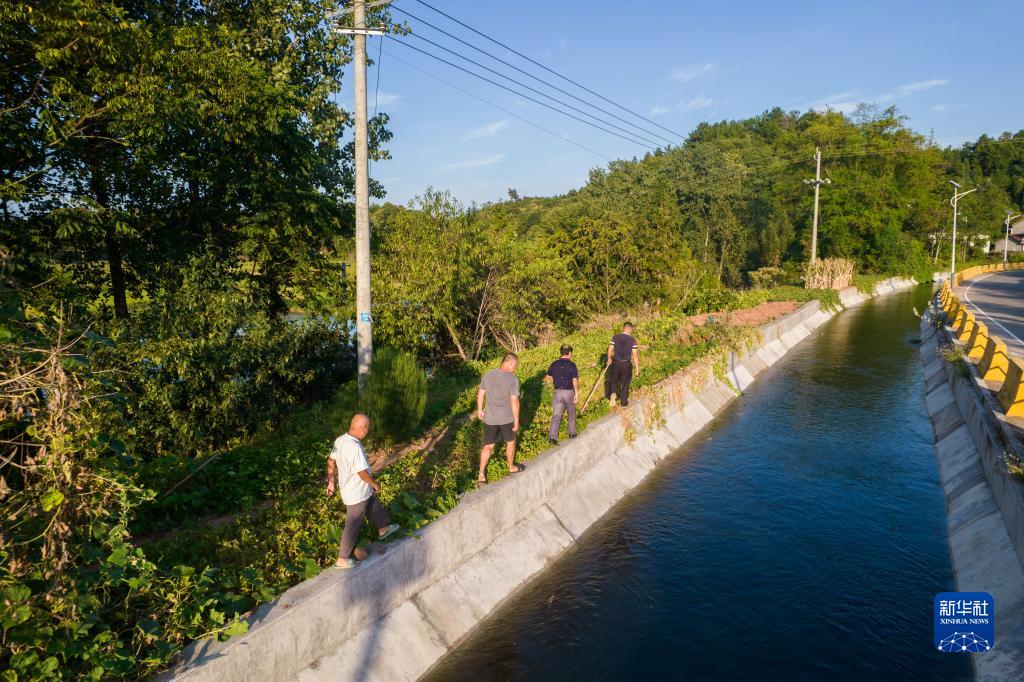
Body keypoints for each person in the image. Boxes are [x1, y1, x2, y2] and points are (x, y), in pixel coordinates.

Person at [326, 414, 399, 569]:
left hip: (354, 490)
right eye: (368, 429)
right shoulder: (355, 447)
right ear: (364, 430)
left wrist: (331, 482)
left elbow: (331, 460)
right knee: (353, 524)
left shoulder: (340, 440)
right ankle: (342, 559)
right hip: (355, 494)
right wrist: (375, 484)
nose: (367, 432)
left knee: (371, 502)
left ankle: (383, 528)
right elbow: (362, 472)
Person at [477, 353, 524, 484]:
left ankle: (481, 474)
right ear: (510, 363)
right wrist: (516, 419)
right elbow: (514, 401)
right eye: (516, 365)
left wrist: (480, 409)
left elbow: (481, 393)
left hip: (490, 418)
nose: (516, 368)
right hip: (507, 419)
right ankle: (510, 467)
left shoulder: (488, 374)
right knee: (511, 441)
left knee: (488, 445)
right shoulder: (512, 379)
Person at [546, 344, 579, 444]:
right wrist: (577, 393)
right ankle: (572, 433)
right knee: (571, 414)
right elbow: (574, 380)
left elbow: (548, 376)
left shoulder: (554, 364)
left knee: (556, 416)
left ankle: (552, 438)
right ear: (569, 353)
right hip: (569, 392)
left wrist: (555, 381)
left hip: (557, 392)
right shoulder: (572, 365)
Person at [607, 322, 639, 407]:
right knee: (625, 383)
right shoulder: (633, 340)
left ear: (623, 328)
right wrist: (637, 368)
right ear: (630, 329)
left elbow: (610, 349)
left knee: (613, 379)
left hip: (616, 362)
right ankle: (624, 402)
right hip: (626, 364)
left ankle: (613, 393)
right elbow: (635, 355)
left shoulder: (615, 337)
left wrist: (609, 358)